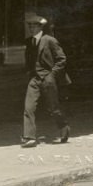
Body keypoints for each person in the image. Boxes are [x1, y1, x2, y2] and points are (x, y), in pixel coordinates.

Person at [22, 14, 69, 148]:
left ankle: (64, 128)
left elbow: (62, 59)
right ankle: (29, 137)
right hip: (34, 79)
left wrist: (52, 74)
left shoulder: (49, 40)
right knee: (29, 107)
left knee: (54, 108)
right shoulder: (29, 41)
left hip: (48, 78)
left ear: (40, 27)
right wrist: (29, 73)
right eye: (29, 26)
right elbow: (29, 60)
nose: (31, 28)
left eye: (34, 26)